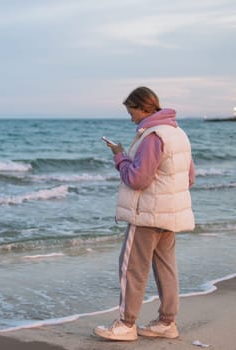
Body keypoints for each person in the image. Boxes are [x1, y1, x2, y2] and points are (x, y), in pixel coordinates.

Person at [94, 86, 195, 341]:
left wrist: (120, 157)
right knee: (166, 268)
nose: (131, 118)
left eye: (132, 111)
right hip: (169, 214)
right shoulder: (178, 133)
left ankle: (126, 325)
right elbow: (189, 178)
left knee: (131, 268)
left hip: (147, 214)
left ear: (143, 107)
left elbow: (137, 179)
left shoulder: (152, 135)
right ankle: (166, 322)